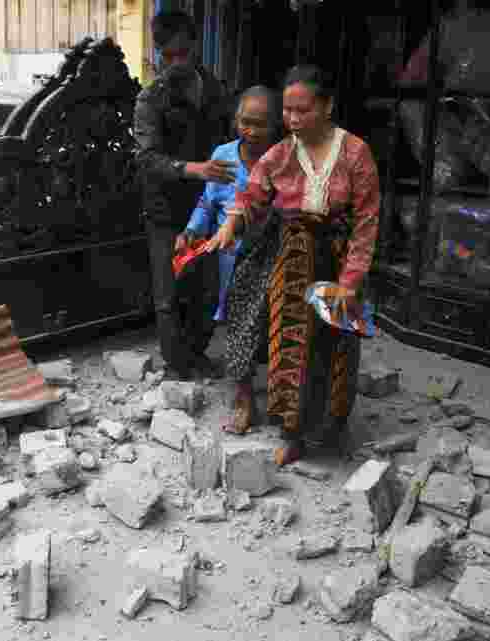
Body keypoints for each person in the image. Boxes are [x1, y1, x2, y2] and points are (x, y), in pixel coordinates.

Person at [205, 65, 382, 465]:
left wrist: (351, 282)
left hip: (338, 261)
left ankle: (330, 433)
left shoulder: (355, 153)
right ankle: (292, 433)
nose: (292, 119)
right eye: (287, 111)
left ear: (327, 107)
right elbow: (252, 194)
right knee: (292, 347)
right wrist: (231, 224)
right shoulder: (282, 153)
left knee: (334, 349)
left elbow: (367, 222)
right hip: (293, 258)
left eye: (302, 110)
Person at [134, 10, 233, 381]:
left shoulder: (215, 89)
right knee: (169, 295)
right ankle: (177, 366)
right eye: (167, 55)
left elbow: (230, 139)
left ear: (194, 47)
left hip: (208, 206)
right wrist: (196, 168)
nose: (175, 62)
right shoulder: (150, 99)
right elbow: (147, 158)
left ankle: (197, 354)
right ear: (158, 53)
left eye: (182, 53)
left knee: (207, 288)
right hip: (164, 210)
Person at [177, 85, 282, 325]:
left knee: (262, 317)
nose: (253, 131)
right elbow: (208, 202)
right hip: (226, 253)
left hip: (267, 256)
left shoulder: (281, 160)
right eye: (246, 122)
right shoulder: (223, 155)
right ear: (236, 120)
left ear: (275, 124)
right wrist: (191, 231)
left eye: (261, 124)